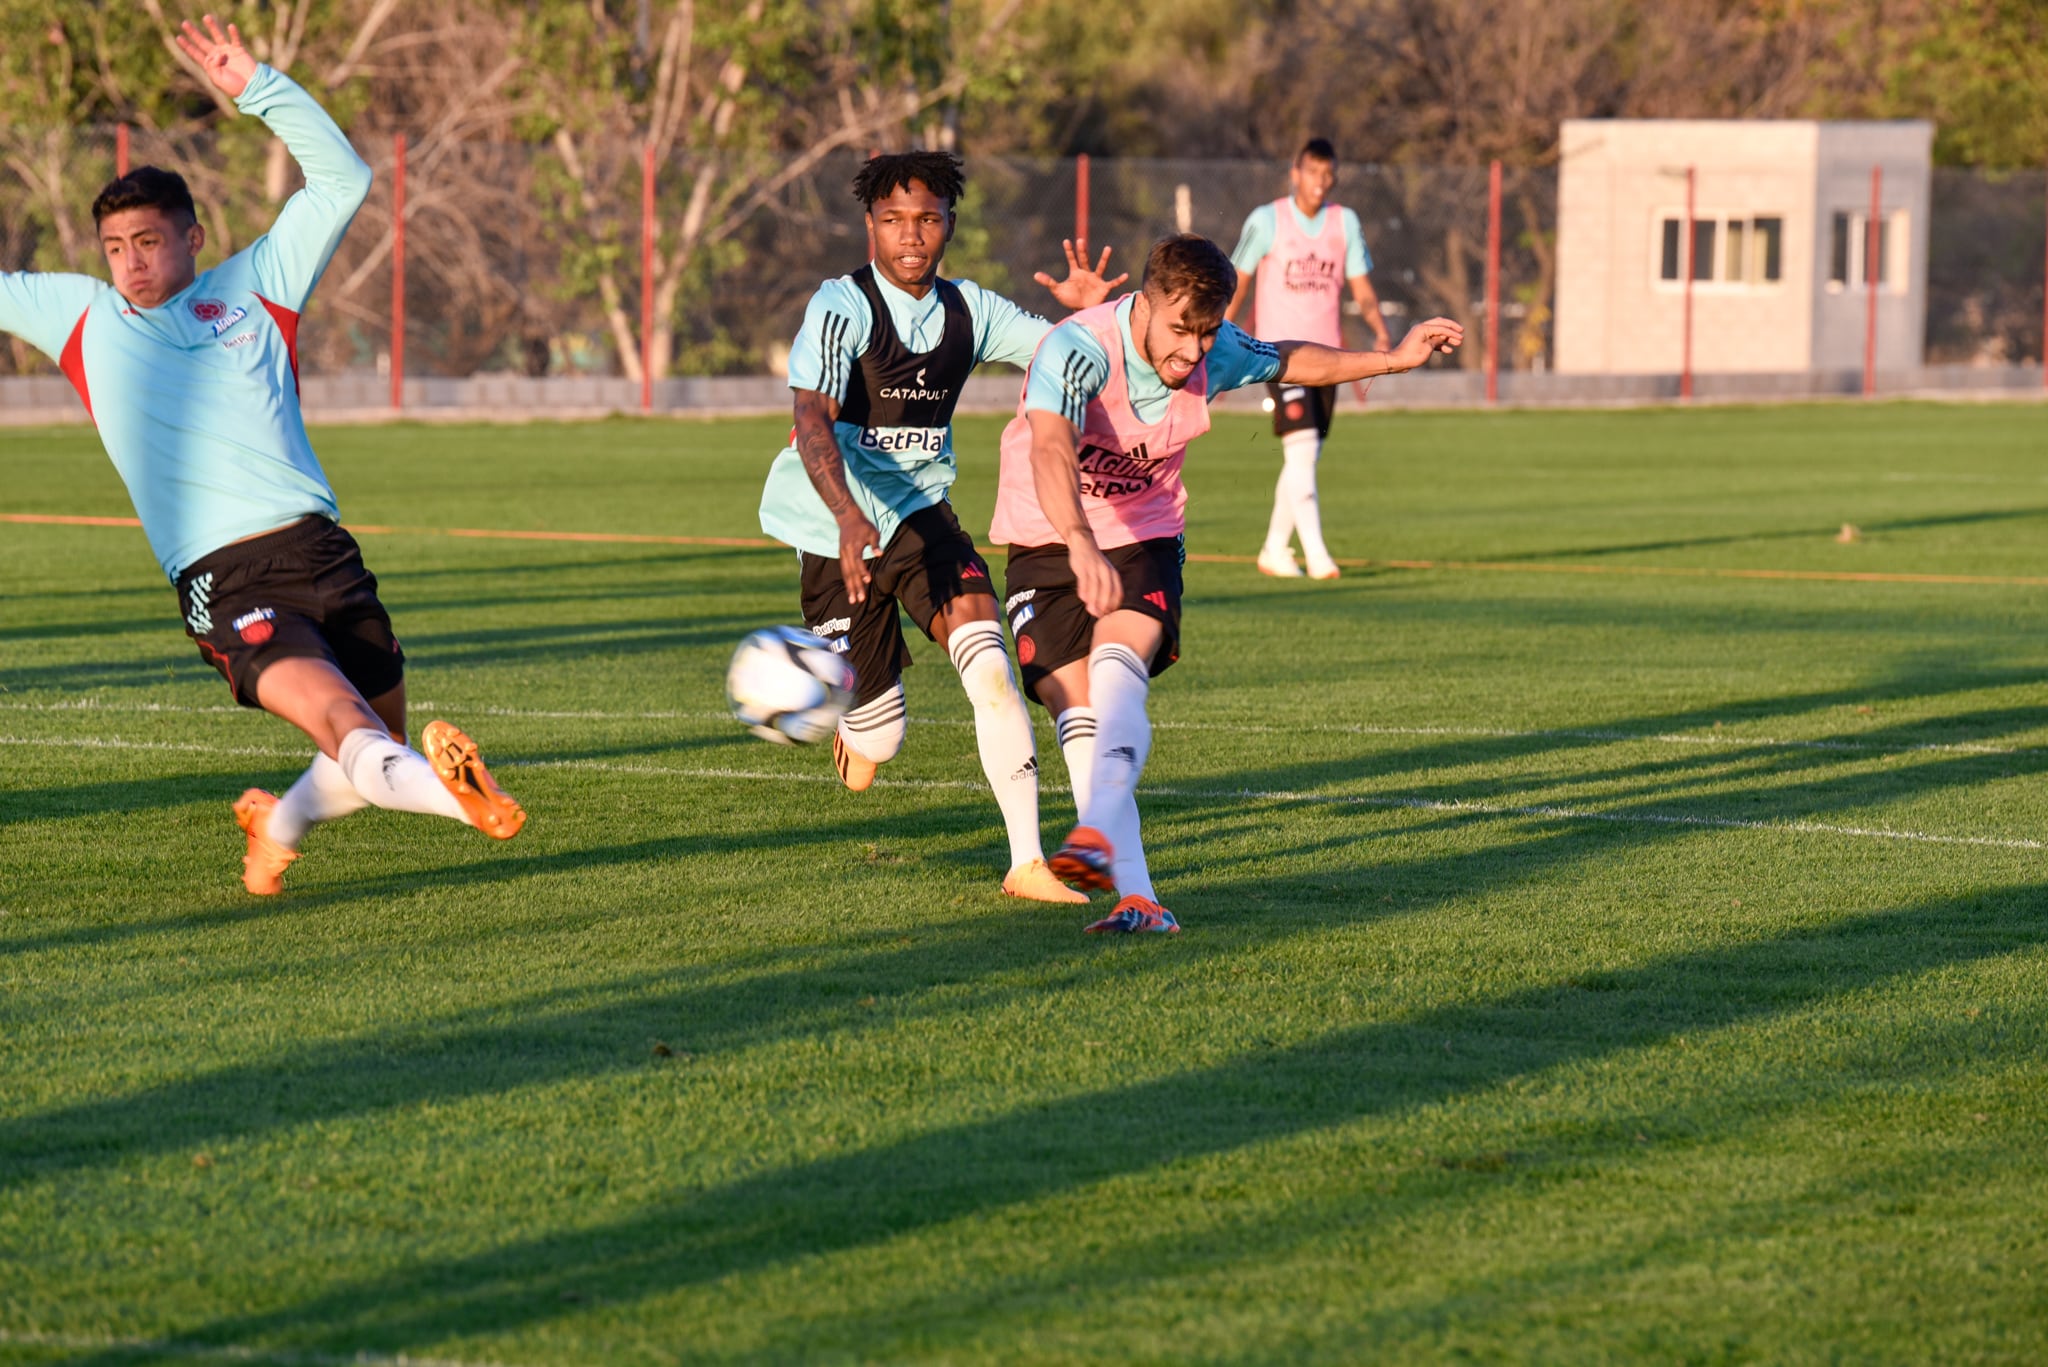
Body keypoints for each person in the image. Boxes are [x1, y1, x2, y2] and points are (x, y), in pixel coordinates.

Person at [0, 16, 525, 896]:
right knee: (345, 721)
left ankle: (276, 823)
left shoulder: (256, 287)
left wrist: (258, 87)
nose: (130, 264)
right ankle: (457, 794)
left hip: (322, 548)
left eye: (149, 242)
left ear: (194, 238)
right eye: (116, 248)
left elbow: (344, 179)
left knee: (371, 742)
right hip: (223, 576)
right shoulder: (82, 319)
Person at [993, 234, 1461, 932]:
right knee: (1078, 715)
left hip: (1143, 534)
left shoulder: (1213, 351)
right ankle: (1141, 899)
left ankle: (1100, 840)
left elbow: (1289, 357)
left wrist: (1393, 358)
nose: (1193, 351)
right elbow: (1054, 448)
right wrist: (1080, 542)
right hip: (1047, 536)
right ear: (1143, 304)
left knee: (1122, 665)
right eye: (1181, 329)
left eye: (1207, 332)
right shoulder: (1077, 348)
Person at [756, 150, 1126, 905]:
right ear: (870, 225)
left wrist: (1084, 316)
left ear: (949, 222)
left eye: (927, 218)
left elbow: (1068, 354)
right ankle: (857, 725)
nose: (911, 235)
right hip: (837, 529)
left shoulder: (971, 311)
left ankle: (1026, 862)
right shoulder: (842, 306)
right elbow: (809, 416)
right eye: (894, 220)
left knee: (989, 664)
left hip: (922, 514)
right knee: (878, 741)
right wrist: (848, 514)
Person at [1224, 137, 1393, 581]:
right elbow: (1238, 280)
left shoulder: (1344, 223)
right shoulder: (1267, 220)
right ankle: (1318, 557)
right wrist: (1219, 331)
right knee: (1302, 451)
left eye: (1328, 174)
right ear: (1295, 173)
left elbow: (1362, 286)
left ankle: (1275, 549)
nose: (1321, 182)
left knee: (1304, 455)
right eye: (1313, 172)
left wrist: (1378, 330)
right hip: (1278, 354)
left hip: (1329, 358)